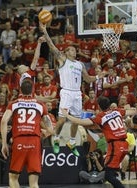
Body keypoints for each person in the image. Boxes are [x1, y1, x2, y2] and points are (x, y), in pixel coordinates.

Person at [39, 22, 107, 157]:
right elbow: (52, 46)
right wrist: (45, 32)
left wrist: (98, 76)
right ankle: (57, 139)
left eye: (74, 49)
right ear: (66, 52)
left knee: (76, 120)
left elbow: (87, 79)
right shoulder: (63, 59)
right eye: (71, 49)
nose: (74, 50)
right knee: (62, 119)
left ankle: (71, 141)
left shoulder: (80, 64)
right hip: (66, 92)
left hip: (77, 94)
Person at [61, 96, 137, 188]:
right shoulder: (116, 111)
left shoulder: (100, 117)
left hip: (115, 145)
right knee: (110, 172)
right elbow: (133, 111)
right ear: (109, 105)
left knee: (108, 175)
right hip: (124, 144)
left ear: (99, 107)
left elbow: (79, 122)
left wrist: (66, 115)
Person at [0, 79, 53, 188]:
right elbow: (50, 129)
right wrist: (42, 133)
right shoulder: (40, 105)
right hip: (35, 141)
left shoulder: (13, 104)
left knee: (13, 177)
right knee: (34, 182)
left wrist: (4, 143)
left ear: (20, 90)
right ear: (33, 90)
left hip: (19, 140)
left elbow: (4, 121)